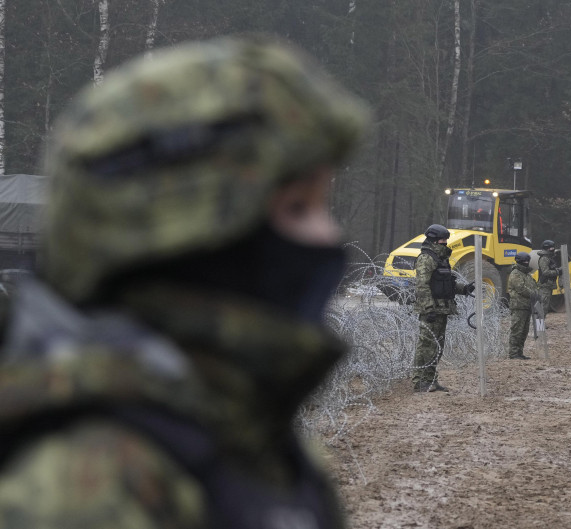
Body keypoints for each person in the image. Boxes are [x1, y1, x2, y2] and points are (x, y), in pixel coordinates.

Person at [0, 36, 369, 528]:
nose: (329, 236)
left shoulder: (240, 431)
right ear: (189, 236)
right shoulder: (87, 486)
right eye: (296, 208)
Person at [412, 224, 474, 392]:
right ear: (433, 240)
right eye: (442, 240)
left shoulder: (441, 259)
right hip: (431, 311)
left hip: (442, 309)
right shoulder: (426, 258)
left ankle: (431, 380)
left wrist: (464, 289)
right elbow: (422, 286)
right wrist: (428, 308)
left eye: (446, 240)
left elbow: (445, 284)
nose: (445, 243)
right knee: (426, 346)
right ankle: (420, 381)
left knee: (437, 347)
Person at [507, 252, 538, 360]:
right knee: (517, 331)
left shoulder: (526, 274)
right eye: (525, 261)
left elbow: (534, 286)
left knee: (524, 332)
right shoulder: (516, 273)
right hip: (518, 306)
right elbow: (521, 289)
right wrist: (535, 294)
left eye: (527, 261)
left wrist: (536, 293)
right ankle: (514, 353)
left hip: (526, 306)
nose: (526, 263)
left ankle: (520, 353)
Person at [537, 239, 561, 313]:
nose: (553, 249)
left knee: (545, 306)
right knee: (543, 306)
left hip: (548, 285)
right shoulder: (544, 258)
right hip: (545, 285)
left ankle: (541, 323)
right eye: (551, 248)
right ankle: (540, 324)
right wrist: (557, 272)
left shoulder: (549, 258)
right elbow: (545, 272)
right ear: (546, 248)